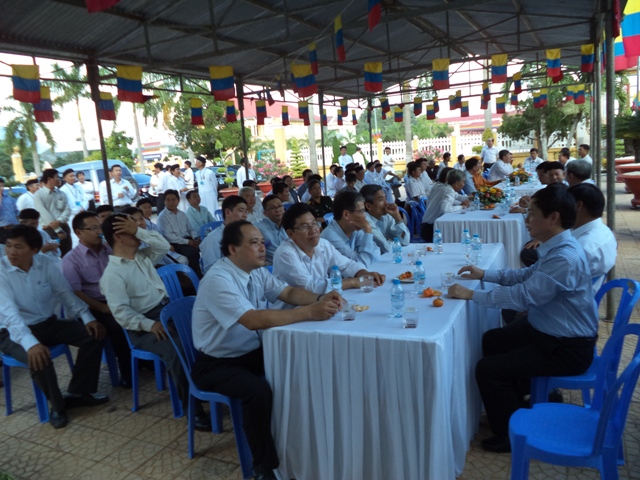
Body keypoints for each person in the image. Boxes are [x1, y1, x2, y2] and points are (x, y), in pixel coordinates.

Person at [448, 184, 597, 453]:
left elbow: (524, 296)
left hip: (566, 347)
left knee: (488, 369)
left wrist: (471, 294)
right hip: (548, 329)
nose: (526, 219)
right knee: (493, 339)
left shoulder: (565, 257)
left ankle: (510, 434)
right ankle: (514, 407)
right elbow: (525, 276)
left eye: (532, 213)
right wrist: (485, 274)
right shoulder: (556, 246)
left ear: (553, 217)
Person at [191, 220, 342, 480]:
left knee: (298, 364)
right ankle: (264, 465)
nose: (262, 248)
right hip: (217, 363)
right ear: (233, 249)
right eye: (254, 243)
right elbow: (252, 320)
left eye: (263, 242)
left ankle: (302, 440)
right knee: (257, 392)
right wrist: (308, 312)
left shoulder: (256, 272)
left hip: (251, 353)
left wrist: (320, 299)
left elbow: (288, 292)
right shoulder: (218, 279)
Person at [99, 214, 211, 431]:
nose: (138, 229)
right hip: (143, 325)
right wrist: (149, 325)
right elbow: (121, 313)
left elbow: (162, 245)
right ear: (119, 236)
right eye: (131, 228)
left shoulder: (142, 257)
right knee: (178, 349)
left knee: (206, 331)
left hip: (167, 311)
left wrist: (138, 231)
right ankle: (192, 409)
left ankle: (203, 384)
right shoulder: (113, 274)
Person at [0, 225, 108, 429]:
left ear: (34, 250)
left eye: (18, 247)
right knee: (39, 358)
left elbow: (64, 293)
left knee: (94, 334)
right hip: (11, 332)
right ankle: (57, 407)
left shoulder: (45, 263)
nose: (11, 252)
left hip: (47, 323)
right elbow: (8, 313)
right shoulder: (1, 271)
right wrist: (30, 344)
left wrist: (87, 318)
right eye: (8, 246)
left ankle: (78, 392)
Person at [62, 211, 131, 388]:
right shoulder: (71, 260)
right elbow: (76, 293)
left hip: (116, 299)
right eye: (93, 228)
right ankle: (128, 372)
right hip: (93, 306)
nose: (99, 232)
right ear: (79, 233)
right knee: (117, 325)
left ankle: (145, 360)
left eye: (100, 227)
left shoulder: (110, 250)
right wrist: (102, 308)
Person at [273, 203, 384, 294]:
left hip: (321, 303)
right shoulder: (285, 253)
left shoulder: (323, 244)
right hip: (294, 310)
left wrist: (364, 273)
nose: (313, 230)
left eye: (314, 223)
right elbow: (310, 287)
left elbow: (347, 265)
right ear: (290, 234)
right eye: (304, 227)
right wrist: (353, 282)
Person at [568, 183, 617, 291]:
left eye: (564, 206)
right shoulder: (605, 231)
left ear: (578, 206)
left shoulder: (582, 247)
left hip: (572, 297)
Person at [320, 190, 381, 266]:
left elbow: (376, 254)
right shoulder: (330, 237)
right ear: (346, 214)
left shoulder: (354, 229)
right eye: (361, 211)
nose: (364, 216)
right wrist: (368, 230)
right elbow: (361, 265)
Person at [156, 189, 202, 277]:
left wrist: (195, 238)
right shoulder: (162, 217)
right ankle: (194, 278)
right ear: (164, 201)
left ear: (178, 200)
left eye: (173, 199)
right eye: (168, 200)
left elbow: (190, 229)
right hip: (175, 244)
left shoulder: (182, 214)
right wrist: (188, 242)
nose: (171, 202)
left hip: (188, 239)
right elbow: (169, 236)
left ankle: (207, 271)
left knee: (206, 246)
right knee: (193, 254)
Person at [200, 195, 248, 273]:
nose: (245, 215)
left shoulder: (246, 234)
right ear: (227, 212)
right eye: (241, 211)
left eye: (246, 211)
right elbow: (211, 271)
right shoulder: (212, 240)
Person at [135, 198, 189, 267]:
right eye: (145, 208)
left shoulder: (153, 225)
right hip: (155, 254)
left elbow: (160, 236)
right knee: (179, 262)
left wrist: (167, 244)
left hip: (163, 250)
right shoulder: (140, 227)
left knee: (183, 259)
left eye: (149, 207)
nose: (148, 210)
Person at [420, 169, 470, 242]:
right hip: (432, 229)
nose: (464, 184)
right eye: (463, 182)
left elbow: (458, 196)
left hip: (425, 226)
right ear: (457, 182)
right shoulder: (449, 190)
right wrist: (461, 207)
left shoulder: (441, 186)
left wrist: (471, 198)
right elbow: (445, 209)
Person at [33, 169, 72, 256]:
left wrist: (59, 221)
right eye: (57, 177)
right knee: (53, 255)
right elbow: (43, 213)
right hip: (49, 230)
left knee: (68, 254)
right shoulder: (39, 195)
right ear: (50, 179)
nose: (59, 179)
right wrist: (58, 230)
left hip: (64, 227)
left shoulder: (61, 193)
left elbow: (67, 209)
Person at [361, 184, 409, 253]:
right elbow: (386, 248)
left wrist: (397, 217)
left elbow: (405, 241)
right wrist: (395, 243)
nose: (386, 203)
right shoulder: (364, 219)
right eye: (381, 199)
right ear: (368, 206)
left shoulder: (386, 216)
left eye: (385, 198)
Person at [60, 169, 89, 247]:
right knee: (74, 234)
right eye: (71, 176)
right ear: (65, 178)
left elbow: (85, 198)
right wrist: (76, 211)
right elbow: (65, 205)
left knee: (84, 231)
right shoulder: (62, 190)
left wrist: (83, 208)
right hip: (71, 215)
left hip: (82, 212)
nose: (73, 177)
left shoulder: (78, 187)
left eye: (74, 176)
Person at [256, 195, 287, 266]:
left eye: (280, 206)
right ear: (265, 213)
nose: (277, 210)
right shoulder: (258, 228)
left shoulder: (291, 226)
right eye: (273, 208)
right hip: (272, 267)